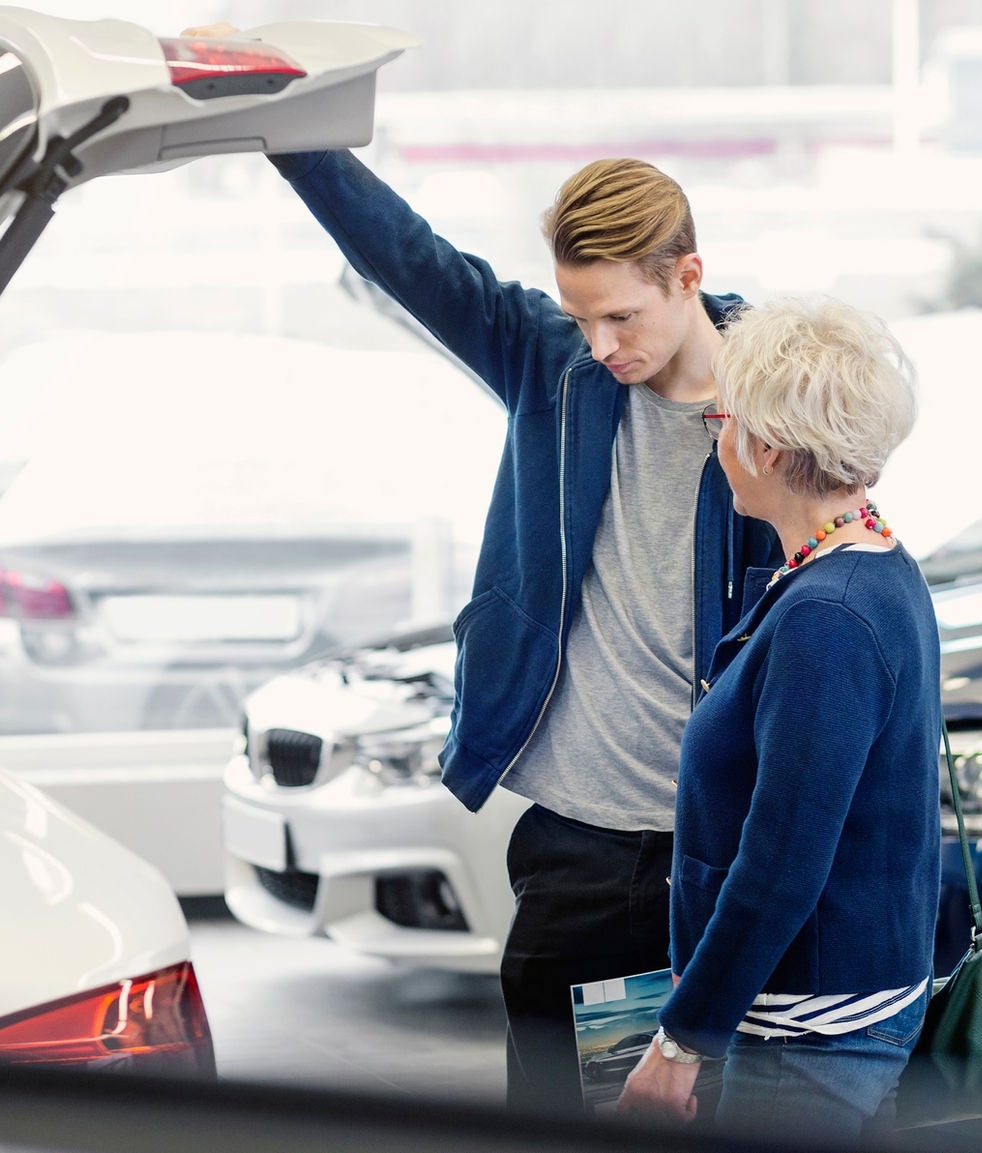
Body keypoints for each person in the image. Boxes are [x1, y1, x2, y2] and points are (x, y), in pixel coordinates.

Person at [181, 23, 783, 1113]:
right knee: (556, 1115)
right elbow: (406, 257)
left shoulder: (778, 397)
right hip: (575, 845)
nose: (600, 345)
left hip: (721, 849)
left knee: (720, 1111)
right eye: (578, 315)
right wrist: (286, 131)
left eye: (621, 316)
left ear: (687, 274)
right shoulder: (550, 367)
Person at [612, 297, 941, 1142]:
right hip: (837, 1012)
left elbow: (783, 860)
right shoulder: (873, 561)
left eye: (722, 419)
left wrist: (682, 1041)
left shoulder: (828, 618)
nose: (716, 439)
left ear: (760, 446)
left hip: (810, 1035)